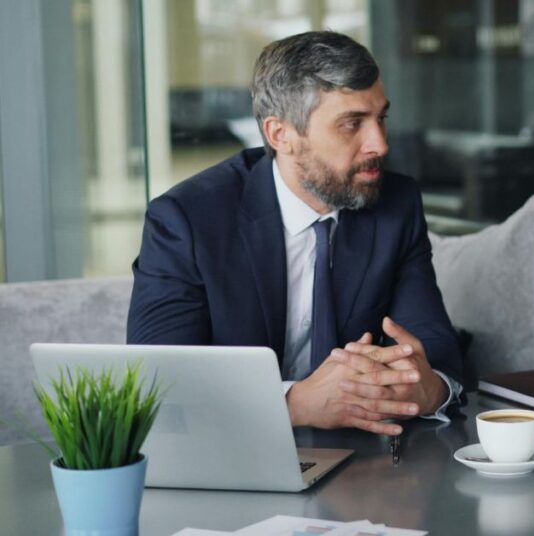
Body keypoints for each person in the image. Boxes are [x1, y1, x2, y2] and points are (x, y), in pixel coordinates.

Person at [128, 31, 463, 436]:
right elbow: (162, 384)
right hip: (231, 457)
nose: (379, 143)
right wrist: (294, 403)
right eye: (352, 124)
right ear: (280, 135)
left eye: (381, 118)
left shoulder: (397, 204)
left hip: (362, 465)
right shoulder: (187, 220)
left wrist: (428, 390)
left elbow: (436, 351)